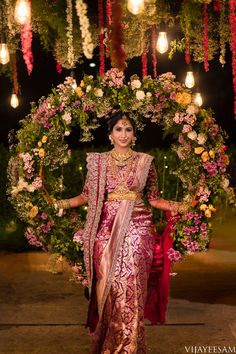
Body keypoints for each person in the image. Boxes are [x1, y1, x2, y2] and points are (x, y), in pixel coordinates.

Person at [55, 111, 192, 353]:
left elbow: (154, 199)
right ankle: (109, 340)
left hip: (138, 231)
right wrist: (61, 203)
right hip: (105, 231)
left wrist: (181, 206)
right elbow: (86, 195)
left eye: (128, 129)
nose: (123, 134)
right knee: (108, 287)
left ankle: (129, 346)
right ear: (110, 135)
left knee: (132, 286)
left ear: (134, 135)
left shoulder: (145, 162)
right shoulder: (98, 163)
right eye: (118, 129)